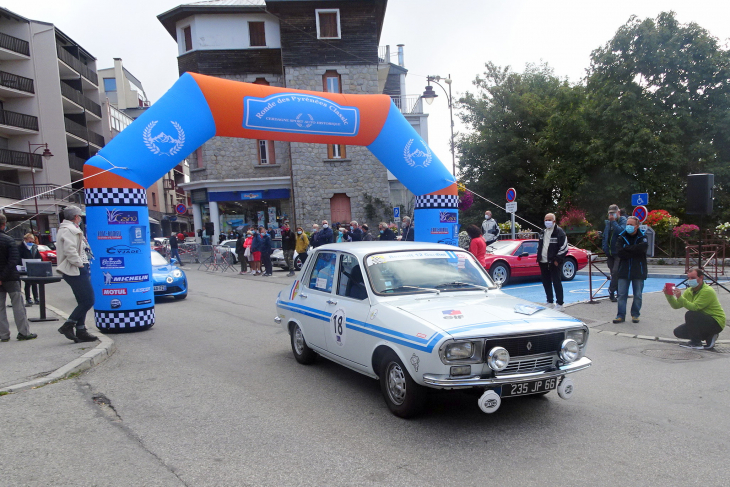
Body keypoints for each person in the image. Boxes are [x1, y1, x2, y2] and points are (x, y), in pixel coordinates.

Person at [55, 206, 97, 343]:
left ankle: (81, 330)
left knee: (82, 300)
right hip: (75, 269)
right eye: (79, 216)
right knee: (88, 300)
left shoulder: (68, 229)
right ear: (75, 217)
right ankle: (69, 325)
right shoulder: (70, 230)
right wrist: (80, 264)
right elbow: (70, 250)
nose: (80, 218)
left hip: (76, 268)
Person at [667, 268, 726, 349]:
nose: (690, 280)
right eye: (689, 278)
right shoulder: (689, 291)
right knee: (678, 332)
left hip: (716, 321)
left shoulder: (707, 291)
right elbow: (676, 305)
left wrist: (680, 298)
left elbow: (695, 308)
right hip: (702, 320)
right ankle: (709, 336)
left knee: (691, 314)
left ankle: (696, 343)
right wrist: (669, 295)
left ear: (701, 277)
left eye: (693, 278)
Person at [0, 215, 36, 342]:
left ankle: (3, 335)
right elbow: (13, 260)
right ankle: (23, 332)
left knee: (0, 308)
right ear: (4, 224)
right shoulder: (9, 240)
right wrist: (3, 276)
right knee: (18, 306)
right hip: (11, 278)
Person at [613, 216, 648, 324]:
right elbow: (620, 252)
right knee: (621, 295)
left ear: (637, 226)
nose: (628, 226)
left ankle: (635, 314)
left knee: (637, 295)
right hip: (624, 271)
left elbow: (642, 249)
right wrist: (634, 249)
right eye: (627, 224)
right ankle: (620, 315)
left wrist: (627, 248)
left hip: (638, 271)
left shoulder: (643, 237)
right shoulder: (621, 237)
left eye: (631, 225)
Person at [536, 213, 568, 311]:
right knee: (546, 282)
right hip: (543, 261)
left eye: (549, 220)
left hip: (554, 262)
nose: (547, 222)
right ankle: (550, 301)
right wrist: (539, 257)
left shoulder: (559, 232)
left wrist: (557, 259)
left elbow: (564, 247)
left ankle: (560, 304)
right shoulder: (542, 232)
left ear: (554, 221)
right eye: (546, 220)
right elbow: (540, 246)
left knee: (556, 282)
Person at [602, 204, 627, 302]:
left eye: (613, 213)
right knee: (614, 273)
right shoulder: (608, 223)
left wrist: (613, 222)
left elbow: (621, 232)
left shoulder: (623, 221)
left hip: (619, 252)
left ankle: (611, 291)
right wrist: (605, 248)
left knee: (616, 272)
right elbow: (605, 236)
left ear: (618, 212)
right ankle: (617, 292)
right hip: (610, 253)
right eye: (610, 213)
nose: (611, 215)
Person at [18, 233, 40, 306]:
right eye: (29, 242)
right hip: (24, 267)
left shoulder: (34, 247)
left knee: (34, 283)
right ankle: (28, 298)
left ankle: (36, 297)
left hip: (33, 266)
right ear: (25, 239)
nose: (31, 243)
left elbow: (38, 256)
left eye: (32, 242)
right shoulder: (20, 247)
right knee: (27, 283)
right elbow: (18, 257)